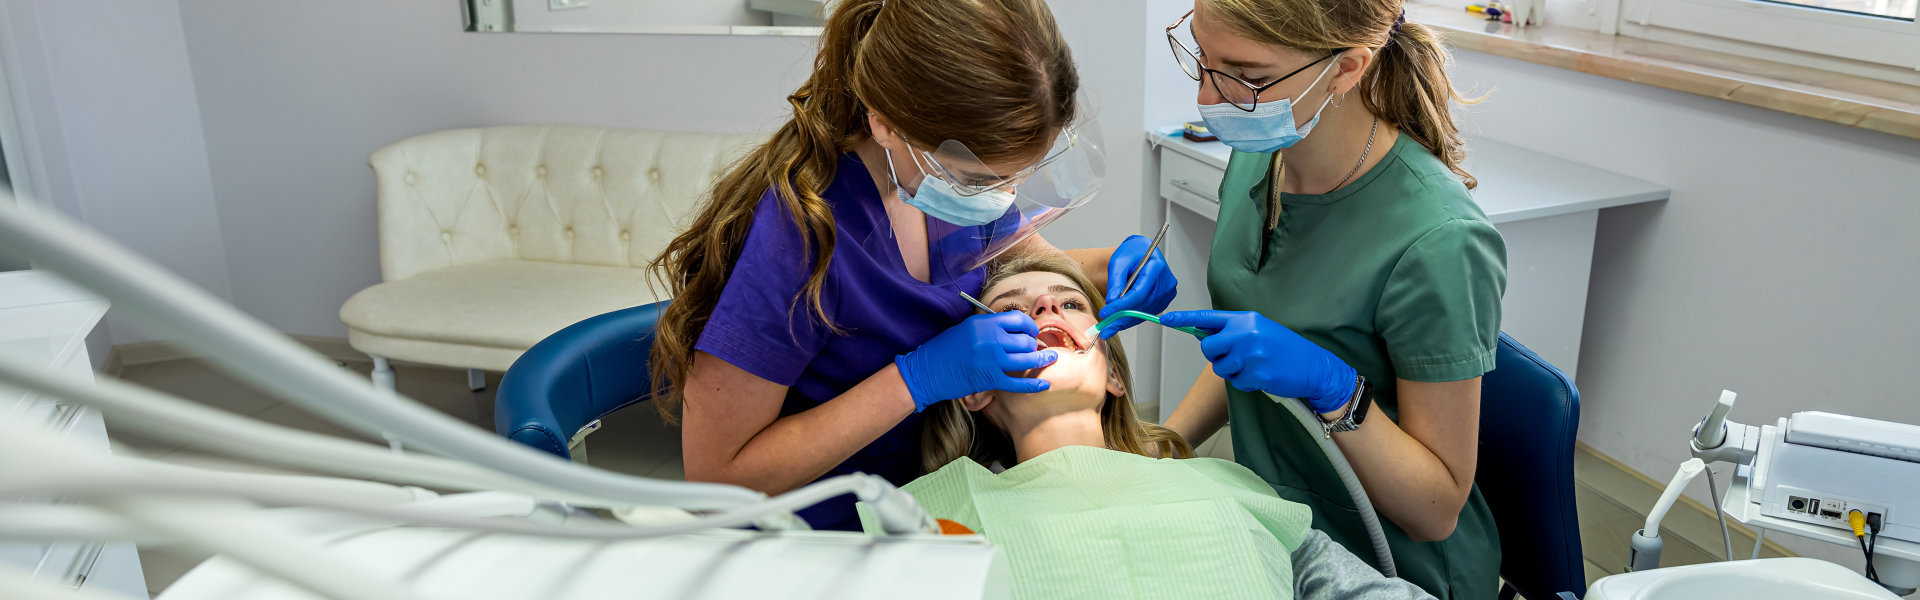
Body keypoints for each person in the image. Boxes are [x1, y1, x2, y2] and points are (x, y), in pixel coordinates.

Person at [645, 0, 1177, 532]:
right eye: (979, 179)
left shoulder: (950, 183)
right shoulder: (799, 236)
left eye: (1020, 175)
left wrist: (1111, 268)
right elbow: (716, 478)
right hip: (818, 537)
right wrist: (914, 379)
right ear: (884, 123)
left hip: (929, 502)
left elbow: (1026, 260)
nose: (1004, 196)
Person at [1103, 1, 1509, 597]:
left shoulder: (1439, 242)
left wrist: (1339, 392)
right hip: (1277, 524)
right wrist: (1164, 446)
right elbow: (1255, 349)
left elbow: (1435, 510)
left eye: (1248, 77)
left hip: (1389, 564)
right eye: (1203, 60)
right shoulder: (1262, 153)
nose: (1209, 102)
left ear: (1347, 69)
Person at [896, 254, 1435, 600]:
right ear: (973, 386)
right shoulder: (938, 515)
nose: (1043, 307)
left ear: (1113, 374)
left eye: (1071, 303)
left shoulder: (1221, 484)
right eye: (1010, 312)